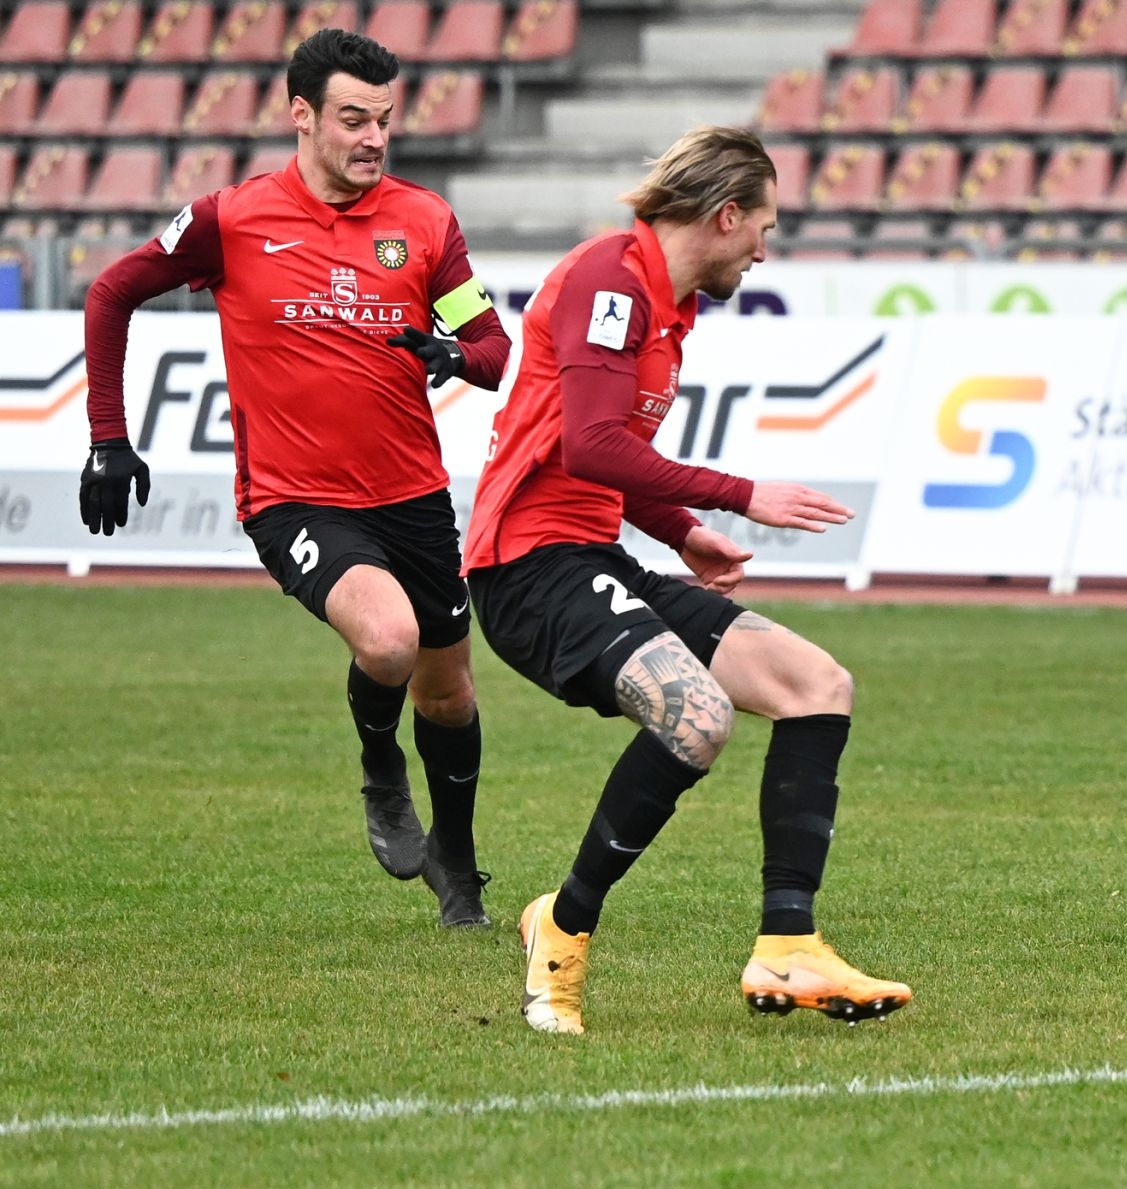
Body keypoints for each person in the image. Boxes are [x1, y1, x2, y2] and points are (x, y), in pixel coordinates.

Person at [463, 125, 911, 1034]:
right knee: (696, 715)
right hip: (526, 568)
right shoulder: (610, 280)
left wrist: (685, 533)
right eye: (764, 229)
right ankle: (562, 930)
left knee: (816, 685)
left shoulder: (669, 307)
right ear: (726, 214)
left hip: (592, 557)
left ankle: (789, 945)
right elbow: (591, 446)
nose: (763, 251)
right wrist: (741, 496)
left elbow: (600, 454)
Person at [80, 29, 509, 928]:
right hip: (293, 499)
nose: (374, 138)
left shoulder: (426, 222)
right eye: (354, 119)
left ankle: (459, 867)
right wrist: (108, 439)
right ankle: (381, 771)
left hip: (414, 496)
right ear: (301, 115)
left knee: (449, 692)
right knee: (388, 643)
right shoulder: (229, 219)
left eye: (385, 120)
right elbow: (112, 291)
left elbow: (493, 347)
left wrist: (455, 356)